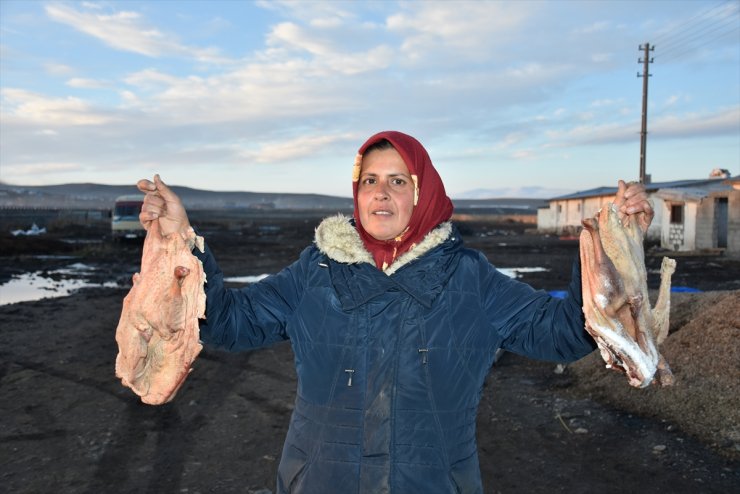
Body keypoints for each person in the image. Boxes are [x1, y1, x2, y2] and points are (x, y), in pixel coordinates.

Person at [137, 130, 654, 494]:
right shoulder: (312, 273)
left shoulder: (470, 278)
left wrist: (611, 241)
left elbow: (565, 332)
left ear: (424, 192)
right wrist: (182, 241)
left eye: (398, 180)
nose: (380, 191)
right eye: (369, 180)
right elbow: (224, 320)